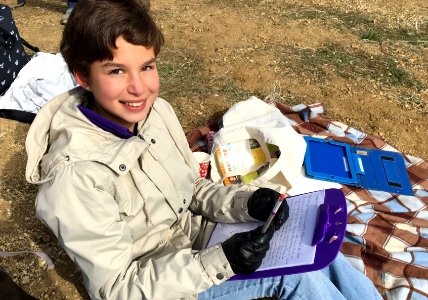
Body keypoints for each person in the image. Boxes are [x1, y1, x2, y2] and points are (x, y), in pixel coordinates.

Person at [25, 0, 383, 299]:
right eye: (117, 71)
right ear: (82, 77)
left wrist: (247, 201)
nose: (138, 88)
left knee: (314, 246)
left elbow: (190, 190)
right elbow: (118, 288)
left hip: (200, 238)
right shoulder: (74, 177)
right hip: (162, 283)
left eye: (147, 67)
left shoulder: (156, 112)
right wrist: (221, 262)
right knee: (296, 278)